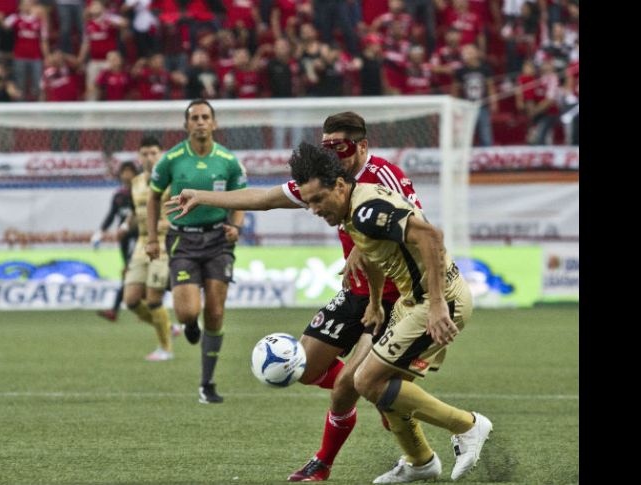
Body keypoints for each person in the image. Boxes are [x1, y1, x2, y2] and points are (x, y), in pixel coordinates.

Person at [165, 112, 422, 481]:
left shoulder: (384, 176)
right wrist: (201, 196)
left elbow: (417, 225)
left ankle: (328, 460)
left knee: (346, 389)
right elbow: (264, 197)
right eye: (327, 146)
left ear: (362, 145)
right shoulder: (324, 179)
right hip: (355, 293)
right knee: (304, 366)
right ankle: (379, 388)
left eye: (342, 147)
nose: (334, 153)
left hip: (394, 298)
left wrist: (363, 249)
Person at [289, 141, 493, 484]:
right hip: (410, 302)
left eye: (318, 199)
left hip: (436, 300)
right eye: (308, 202)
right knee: (387, 386)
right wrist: (372, 302)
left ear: (339, 185)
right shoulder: (352, 210)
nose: (314, 209)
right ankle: (420, 461)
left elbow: (430, 236)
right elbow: (373, 254)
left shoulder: (367, 210)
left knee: (366, 381)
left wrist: (439, 304)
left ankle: (468, 426)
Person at [146, 99, 247, 404]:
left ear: (214, 123)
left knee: (216, 312)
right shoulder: (171, 159)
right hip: (183, 241)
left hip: (218, 240)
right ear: (186, 125)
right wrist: (152, 238)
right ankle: (190, 324)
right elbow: (153, 198)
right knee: (188, 311)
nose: (201, 122)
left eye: (206, 117)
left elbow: (241, 197)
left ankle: (207, 383)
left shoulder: (229, 161)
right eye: (195, 118)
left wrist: (236, 227)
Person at [121, 136, 180, 361]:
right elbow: (136, 211)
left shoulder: (171, 180)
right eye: (145, 154)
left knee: (154, 299)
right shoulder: (135, 183)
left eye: (153, 153)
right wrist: (126, 224)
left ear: (161, 154)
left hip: (164, 242)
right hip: (142, 244)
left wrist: (169, 222)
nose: (149, 158)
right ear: (139, 156)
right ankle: (170, 327)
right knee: (132, 300)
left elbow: (180, 208)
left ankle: (165, 349)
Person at [94, 161, 139, 322]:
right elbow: (111, 215)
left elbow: (139, 214)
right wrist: (100, 232)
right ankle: (142, 307)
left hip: (139, 237)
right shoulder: (118, 196)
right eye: (124, 171)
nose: (127, 175)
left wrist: (128, 225)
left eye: (130, 171)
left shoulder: (141, 192)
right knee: (129, 272)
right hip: (124, 239)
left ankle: (116, 309)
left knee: (129, 271)